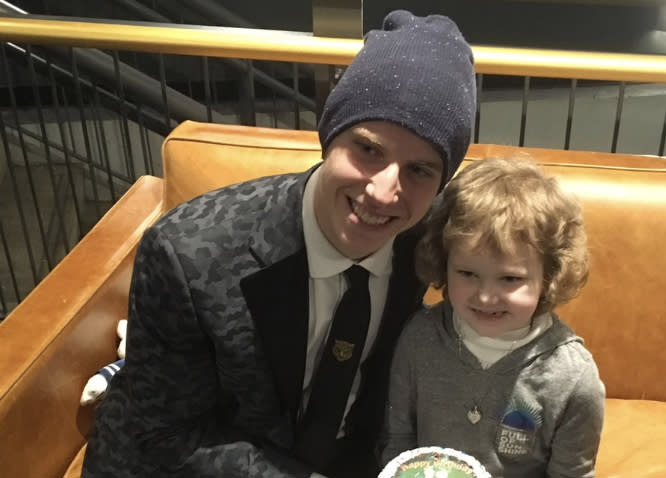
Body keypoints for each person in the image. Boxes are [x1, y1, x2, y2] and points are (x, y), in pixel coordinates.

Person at [82, 9, 476, 478]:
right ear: (329, 137)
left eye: (419, 170)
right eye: (368, 149)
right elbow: (165, 437)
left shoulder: (430, 234)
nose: (383, 191)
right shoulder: (186, 253)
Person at [382, 158, 606, 478]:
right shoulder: (419, 338)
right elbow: (398, 442)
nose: (485, 297)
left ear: (550, 275)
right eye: (468, 273)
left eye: (510, 279)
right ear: (443, 263)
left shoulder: (573, 378)